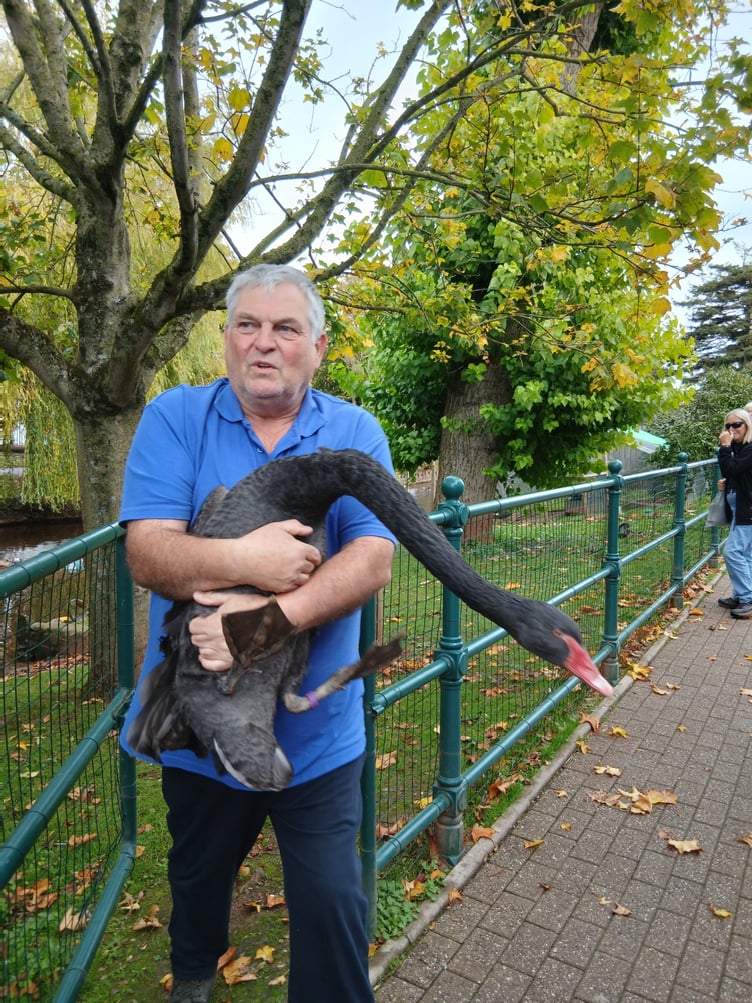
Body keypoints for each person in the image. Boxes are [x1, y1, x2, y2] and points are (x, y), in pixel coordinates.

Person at [119, 264, 397, 1003]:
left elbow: (372, 556)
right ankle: (196, 974)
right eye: (248, 325)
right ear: (226, 340)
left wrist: (264, 620)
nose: (264, 344)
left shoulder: (354, 432)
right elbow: (148, 552)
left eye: (285, 328)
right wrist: (249, 558)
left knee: (336, 905)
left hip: (321, 736)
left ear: (319, 346)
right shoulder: (175, 418)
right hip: (199, 726)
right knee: (198, 877)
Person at [715, 407, 752, 618]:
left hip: (748, 508)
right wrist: (727, 484)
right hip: (740, 506)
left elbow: (732, 468)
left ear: (747, 425)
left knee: (732, 552)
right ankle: (741, 595)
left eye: (736, 424)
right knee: (745, 554)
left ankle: (747, 598)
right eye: (728, 425)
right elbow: (733, 472)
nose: (731, 429)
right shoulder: (740, 447)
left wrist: (724, 447)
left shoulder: (749, 448)